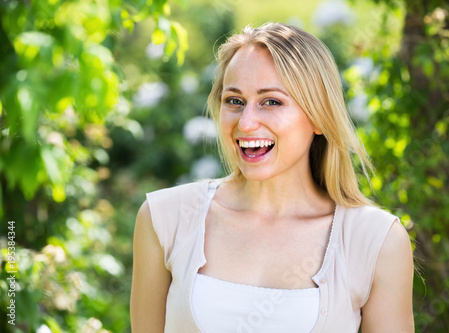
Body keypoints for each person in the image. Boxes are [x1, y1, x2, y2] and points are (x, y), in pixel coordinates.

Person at [130, 22, 414, 332]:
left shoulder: (374, 239)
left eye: (272, 102)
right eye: (234, 101)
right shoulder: (166, 219)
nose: (247, 123)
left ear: (319, 116)